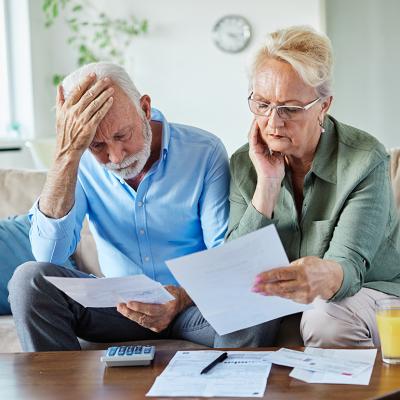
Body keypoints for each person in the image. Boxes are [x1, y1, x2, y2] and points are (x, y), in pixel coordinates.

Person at [9, 62, 230, 351]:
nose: (115, 157)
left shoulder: (204, 152)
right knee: (29, 281)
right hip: (117, 309)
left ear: (145, 109)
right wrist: (67, 155)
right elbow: (48, 255)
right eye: (97, 146)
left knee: (252, 307)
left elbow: (224, 257)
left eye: (122, 136)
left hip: (192, 306)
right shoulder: (78, 161)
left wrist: (181, 297)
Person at [226, 25, 400, 347]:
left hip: (372, 292)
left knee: (326, 317)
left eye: (290, 109)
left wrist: (324, 275)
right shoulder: (243, 162)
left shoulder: (364, 159)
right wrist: (267, 182)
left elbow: (349, 267)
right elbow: (234, 268)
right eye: (262, 105)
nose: (273, 122)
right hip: (285, 301)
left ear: (324, 105)